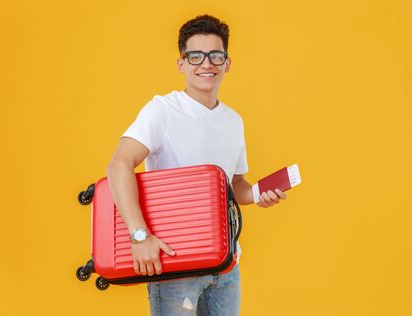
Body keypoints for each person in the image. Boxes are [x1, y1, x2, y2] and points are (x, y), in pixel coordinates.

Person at [106, 14, 287, 316]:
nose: (206, 64)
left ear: (227, 63)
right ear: (182, 64)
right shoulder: (162, 111)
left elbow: (234, 187)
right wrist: (139, 236)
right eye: (195, 56)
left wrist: (260, 194)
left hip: (226, 266)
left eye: (215, 55)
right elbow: (119, 165)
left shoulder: (233, 120)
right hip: (177, 264)